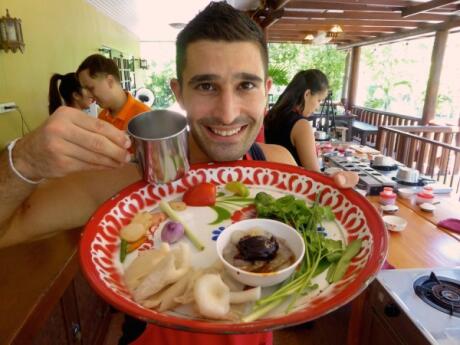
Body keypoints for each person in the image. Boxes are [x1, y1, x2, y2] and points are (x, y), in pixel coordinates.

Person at [0, 2, 357, 344]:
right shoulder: (122, 179)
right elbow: (9, 230)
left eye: (246, 85)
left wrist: (334, 206)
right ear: (179, 93)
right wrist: (25, 160)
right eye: (206, 86)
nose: (228, 113)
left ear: (266, 92)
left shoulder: (279, 165)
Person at [265, 69, 329, 171]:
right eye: (319, 100)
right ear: (307, 94)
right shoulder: (301, 125)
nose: (318, 107)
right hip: (292, 184)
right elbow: (314, 175)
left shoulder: (273, 114)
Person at [76, 54, 150, 130]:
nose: (88, 95)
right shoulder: (102, 117)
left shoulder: (144, 116)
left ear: (110, 81)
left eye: (90, 88)